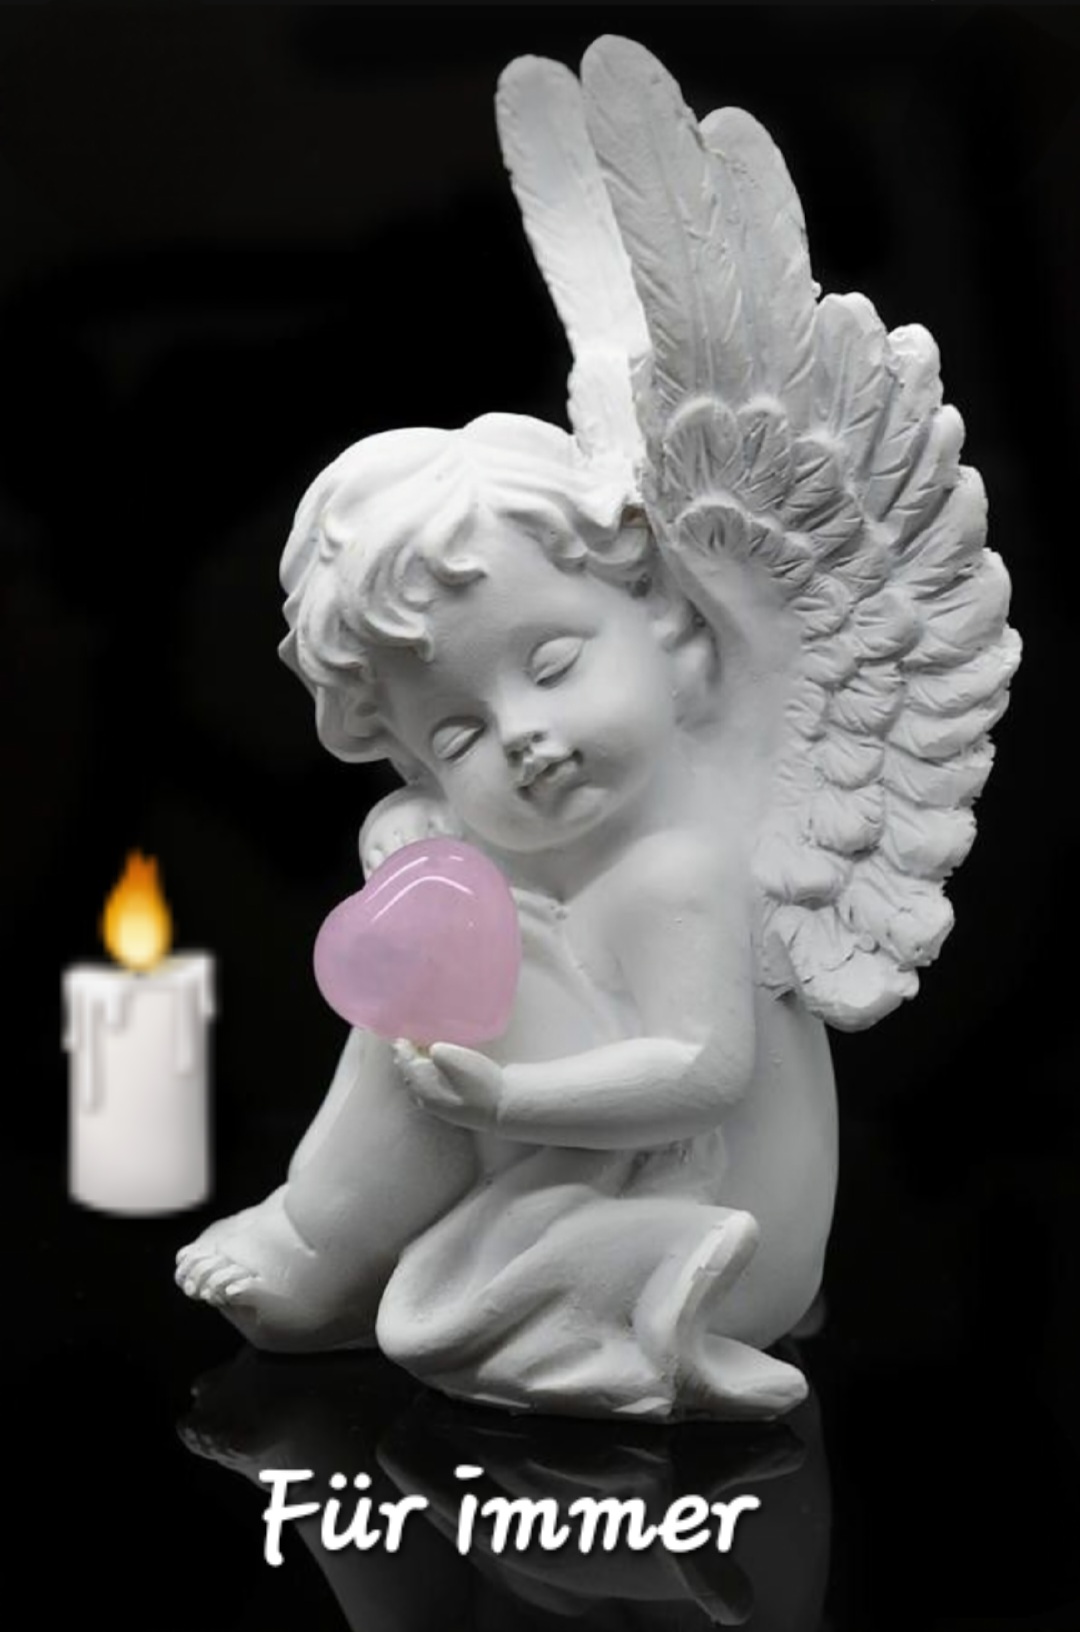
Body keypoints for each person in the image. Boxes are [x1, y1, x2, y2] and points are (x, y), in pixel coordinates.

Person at [176, 413, 836, 1419]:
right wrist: (407, 826)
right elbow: (453, 839)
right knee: (449, 935)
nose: (522, 735)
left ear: (661, 613)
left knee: (446, 963)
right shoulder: (585, 837)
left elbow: (703, 1075)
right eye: (456, 735)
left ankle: (319, 1245)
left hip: (710, 1231)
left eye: (554, 663)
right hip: (626, 1181)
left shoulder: (680, 869)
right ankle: (323, 1235)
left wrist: (505, 1100)